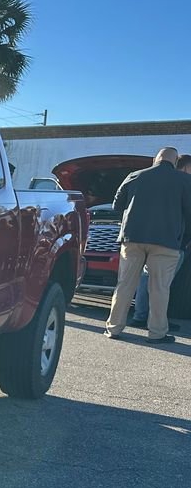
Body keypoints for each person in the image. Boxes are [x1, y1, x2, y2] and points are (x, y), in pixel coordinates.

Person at [104, 147, 191, 344]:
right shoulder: (185, 181)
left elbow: (116, 205)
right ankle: (157, 333)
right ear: (175, 161)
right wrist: (184, 238)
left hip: (132, 239)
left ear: (155, 159)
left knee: (125, 285)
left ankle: (114, 328)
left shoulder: (134, 175)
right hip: (167, 242)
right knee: (160, 288)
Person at [128, 153, 191, 330]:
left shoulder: (150, 180)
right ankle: (157, 323)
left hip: (140, 238)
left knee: (144, 279)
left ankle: (140, 316)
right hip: (172, 242)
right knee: (162, 284)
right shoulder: (184, 183)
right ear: (185, 167)